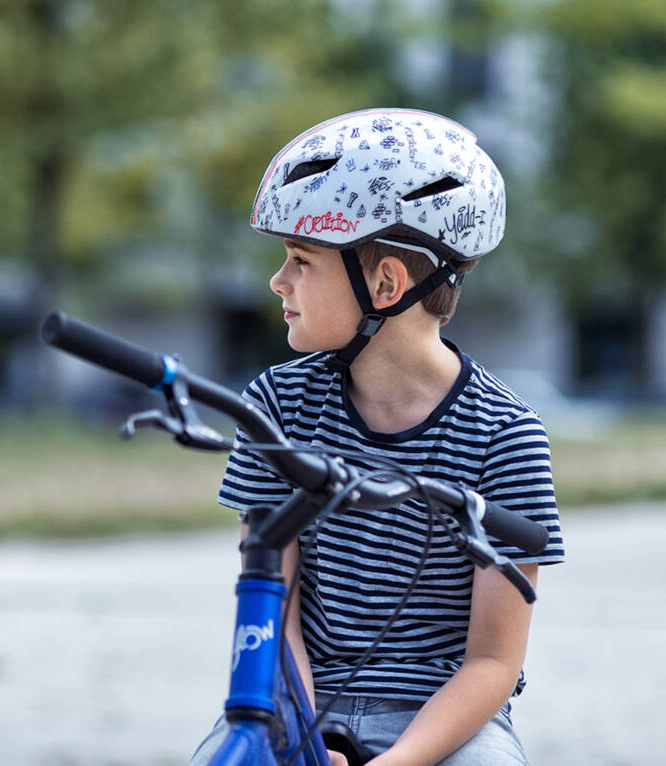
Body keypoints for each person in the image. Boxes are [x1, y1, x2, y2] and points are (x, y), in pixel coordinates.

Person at [190, 109, 565, 765]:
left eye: (301, 260)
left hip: (447, 722)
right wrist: (304, 739)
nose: (278, 282)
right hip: (301, 701)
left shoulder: (507, 434)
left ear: (386, 283)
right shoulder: (275, 405)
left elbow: (492, 661)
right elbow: (271, 614)